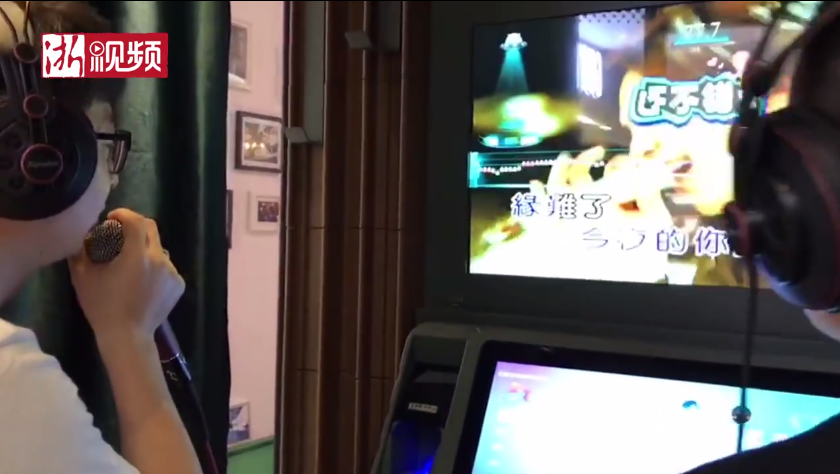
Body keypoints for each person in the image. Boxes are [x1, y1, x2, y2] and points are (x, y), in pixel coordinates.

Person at [0, 2, 201, 474]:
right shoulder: (11, 381)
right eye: (108, 139)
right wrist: (130, 339)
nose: (114, 179)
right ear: (41, 154)